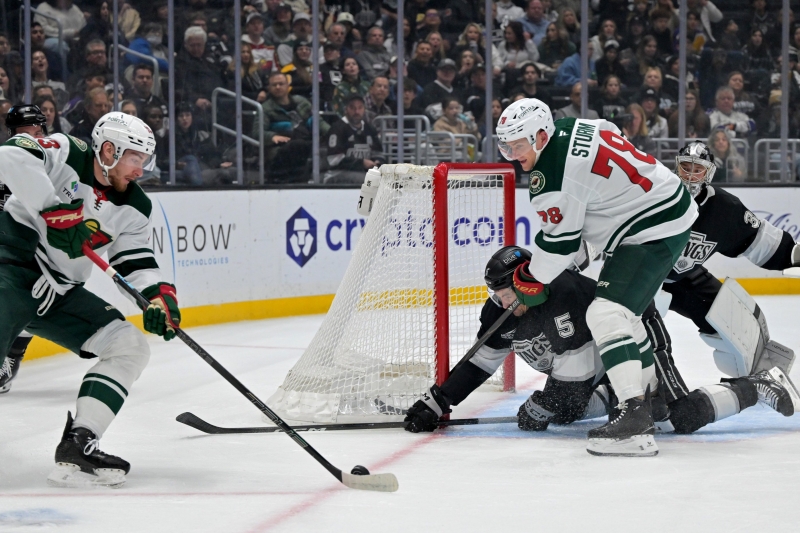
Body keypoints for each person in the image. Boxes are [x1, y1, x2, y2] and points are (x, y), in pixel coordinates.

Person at [404, 246, 795, 439]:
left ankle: (756, 386)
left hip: (635, 333)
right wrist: (438, 401)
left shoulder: (566, 295)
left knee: (674, 418)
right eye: (497, 295)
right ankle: (617, 399)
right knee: (566, 410)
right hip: (595, 363)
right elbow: (480, 364)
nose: (502, 303)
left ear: (526, 283)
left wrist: (544, 405)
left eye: (505, 293)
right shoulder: (500, 311)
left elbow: (572, 385)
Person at [495, 98, 698, 456]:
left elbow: (559, 247)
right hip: (665, 207)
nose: (512, 155)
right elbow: (611, 130)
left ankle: (634, 419)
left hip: (651, 228)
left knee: (605, 314)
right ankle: (652, 401)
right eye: (506, 147)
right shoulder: (572, 126)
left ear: (541, 136)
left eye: (518, 145)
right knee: (627, 317)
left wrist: (529, 276)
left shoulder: (550, 177)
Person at [0, 110, 179, 487]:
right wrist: (51, 208)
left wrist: (157, 298)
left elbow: (135, 260)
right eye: (135, 158)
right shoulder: (68, 151)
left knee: (129, 346)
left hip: (57, 293)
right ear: (109, 150)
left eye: (145, 160)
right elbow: (11, 154)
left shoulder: (136, 206)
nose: (140, 170)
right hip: (11, 268)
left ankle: (79, 442)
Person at [663, 141, 800, 377]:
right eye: (686, 167)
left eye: (698, 169)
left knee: (736, 322)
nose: (691, 175)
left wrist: (794, 256)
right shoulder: (655, 194)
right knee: (636, 332)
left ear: (709, 173)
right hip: (641, 278)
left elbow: (763, 242)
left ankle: (758, 378)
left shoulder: (723, 209)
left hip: (684, 277)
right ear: (677, 167)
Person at [0, 104, 49, 394]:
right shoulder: (6, 158)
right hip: (7, 244)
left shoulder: (53, 160)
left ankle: (12, 356)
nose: (35, 134)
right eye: (28, 129)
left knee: (35, 295)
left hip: (35, 249)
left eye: (39, 128)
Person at [256, 72, 321, 183]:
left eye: (281, 84)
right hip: (280, 148)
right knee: (297, 145)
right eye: (274, 85)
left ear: (288, 86)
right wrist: (272, 136)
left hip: (305, 142)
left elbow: (318, 122)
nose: (278, 87)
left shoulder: (302, 102)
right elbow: (257, 131)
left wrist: (331, 132)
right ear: (269, 88)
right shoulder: (265, 108)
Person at [324, 93, 385, 184]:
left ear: (364, 109)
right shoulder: (337, 128)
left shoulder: (369, 128)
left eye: (360, 108)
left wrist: (377, 162)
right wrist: (361, 163)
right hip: (337, 173)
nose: (357, 111)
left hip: (364, 172)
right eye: (352, 108)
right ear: (346, 109)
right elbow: (334, 159)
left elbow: (378, 153)